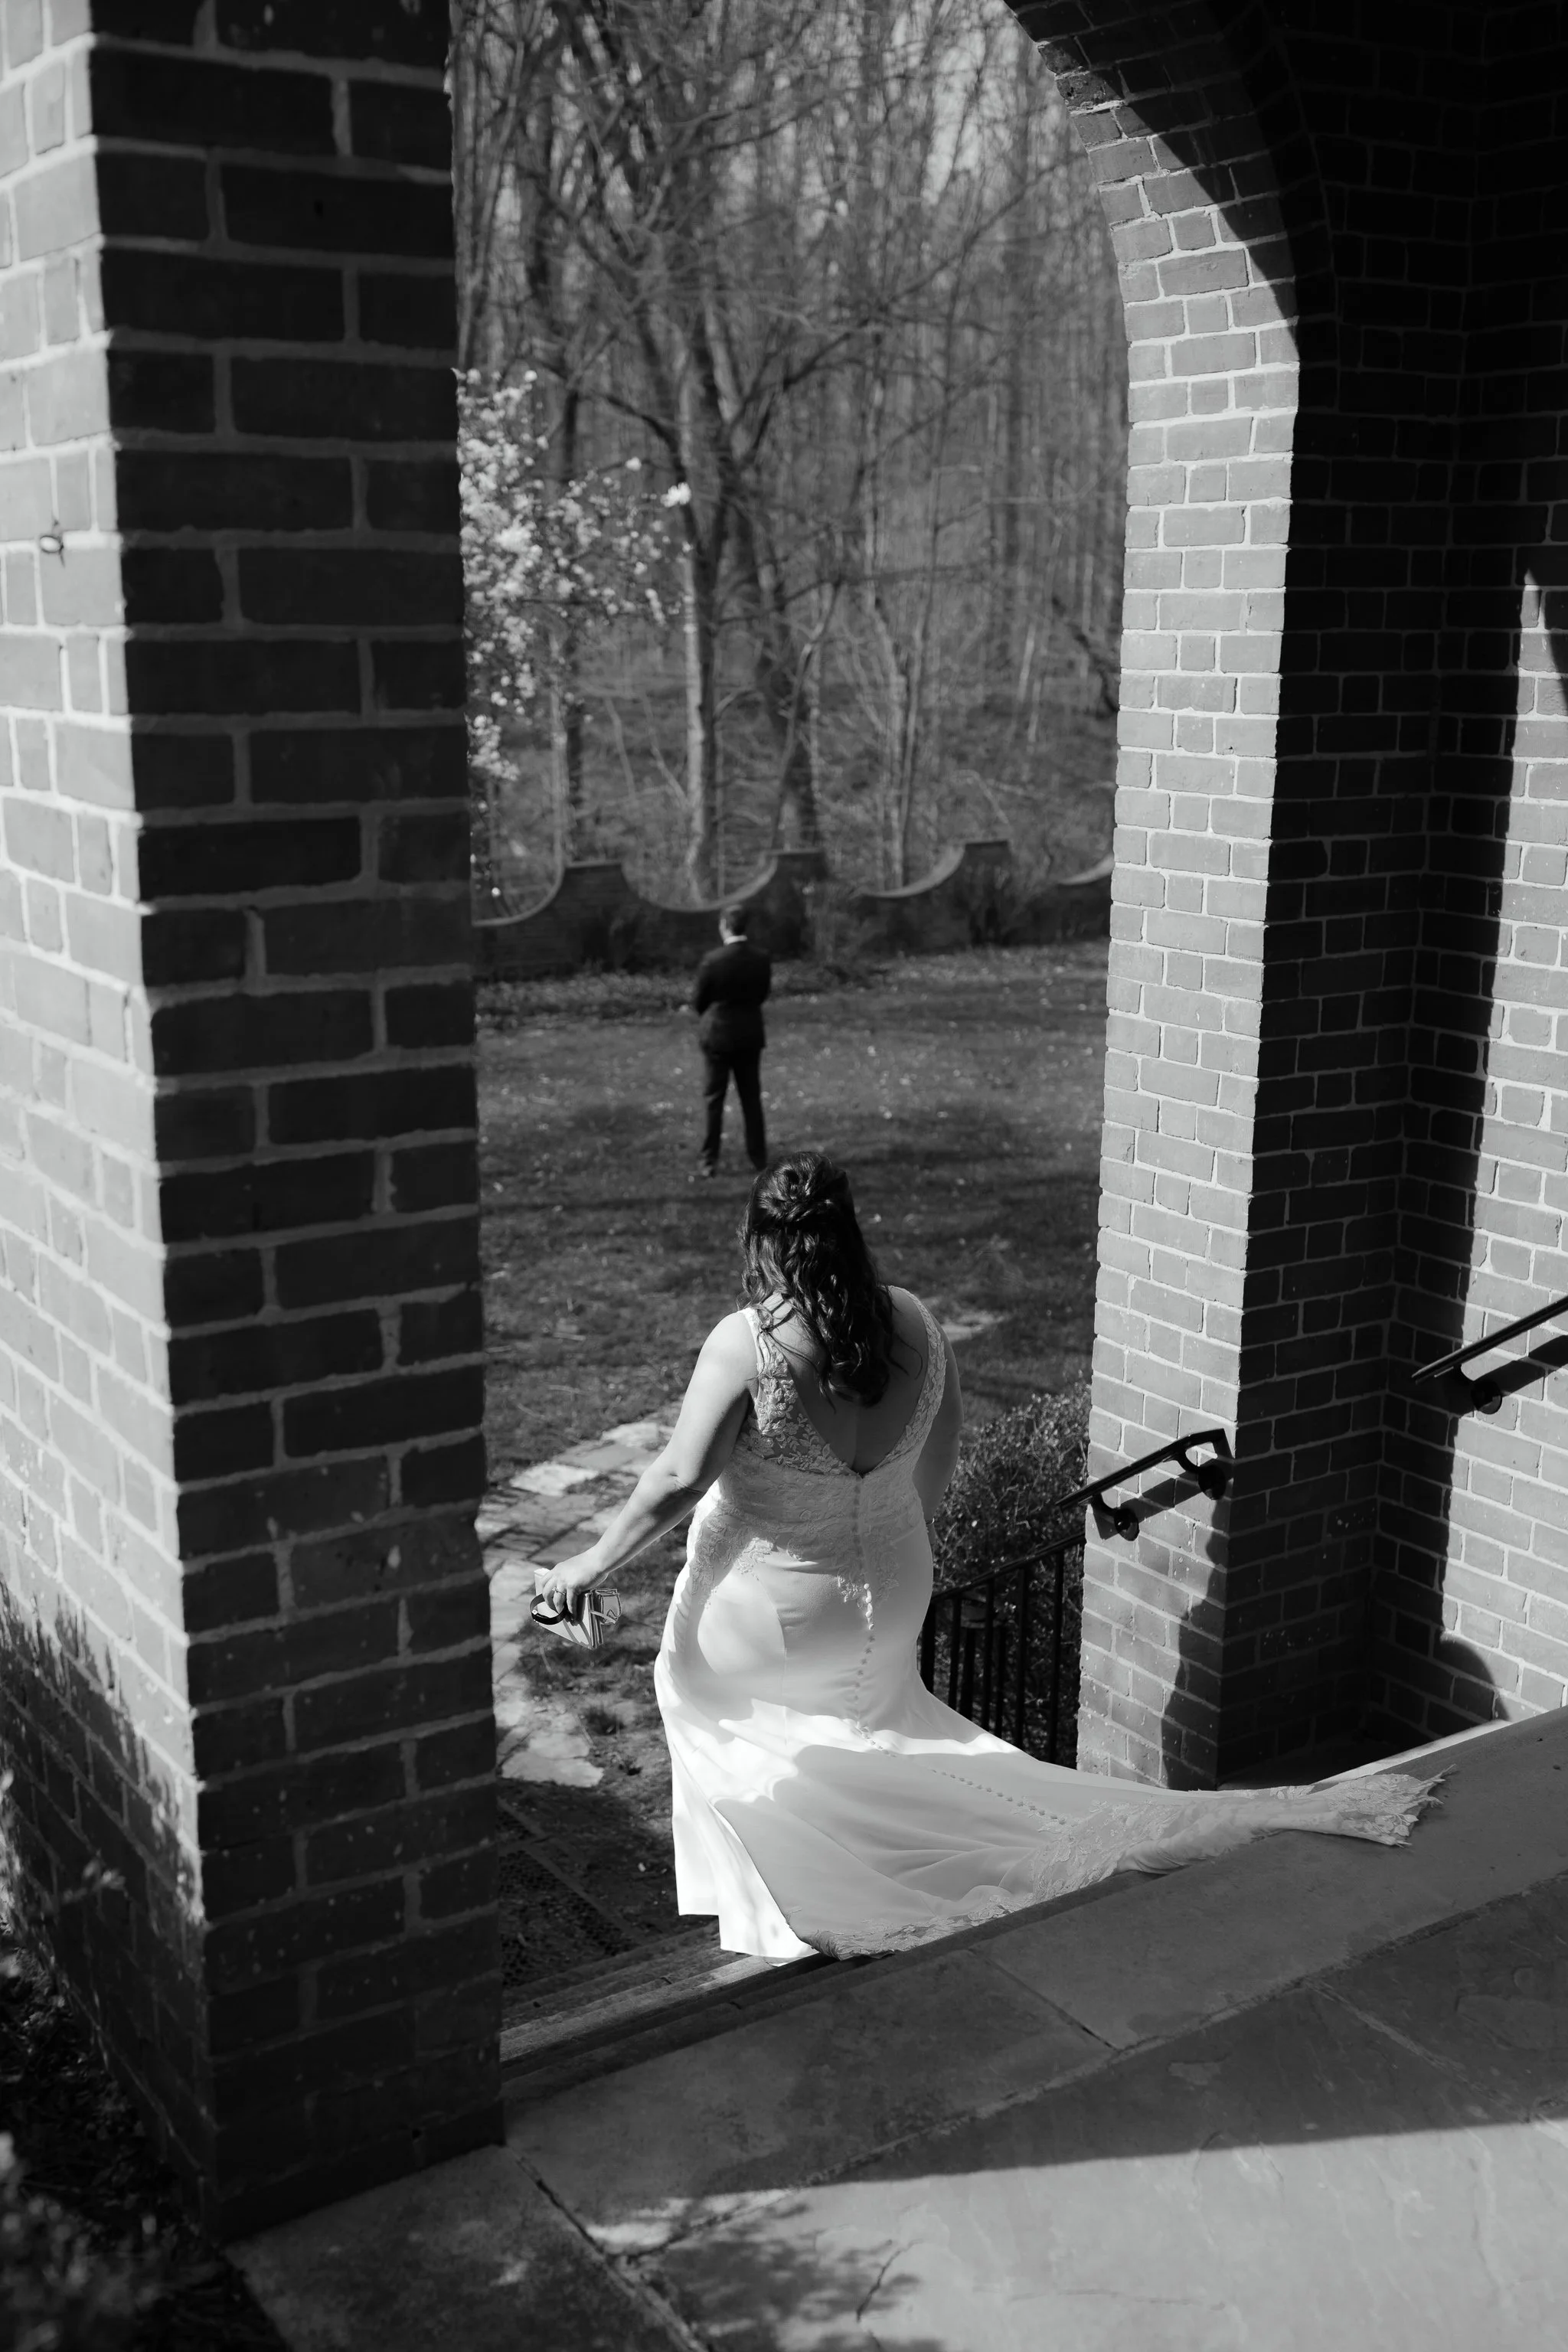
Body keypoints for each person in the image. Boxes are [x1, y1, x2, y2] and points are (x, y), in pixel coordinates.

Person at [537, 1151, 1439, 1962]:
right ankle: (904, 1864)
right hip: (892, 1590)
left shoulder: (750, 1343)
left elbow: (676, 1475)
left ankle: (830, 1898)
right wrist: (890, 1552)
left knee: (771, 1749)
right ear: (849, 1234)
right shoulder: (917, 1326)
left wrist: (589, 1565)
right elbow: (936, 1458)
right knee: (871, 1747)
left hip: (770, 1614)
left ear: (758, 1241)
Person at [691, 903, 771, 1177]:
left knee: (714, 1099)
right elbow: (762, 994)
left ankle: (708, 1160)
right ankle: (759, 1157)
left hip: (718, 1036)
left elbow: (699, 1000)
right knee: (751, 1099)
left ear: (724, 925)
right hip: (749, 1034)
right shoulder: (761, 958)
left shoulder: (713, 960)